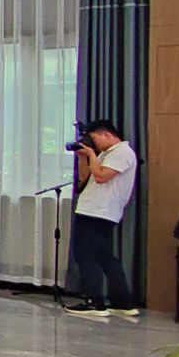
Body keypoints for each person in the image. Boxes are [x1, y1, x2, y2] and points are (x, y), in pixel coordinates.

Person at [67, 119, 140, 318]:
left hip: (98, 211)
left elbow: (101, 177)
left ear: (106, 134)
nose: (94, 144)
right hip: (96, 210)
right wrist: (83, 158)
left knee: (86, 256)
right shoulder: (107, 154)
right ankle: (122, 302)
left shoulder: (122, 152)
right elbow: (86, 179)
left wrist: (92, 154)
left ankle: (94, 302)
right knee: (105, 257)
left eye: (94, 139)